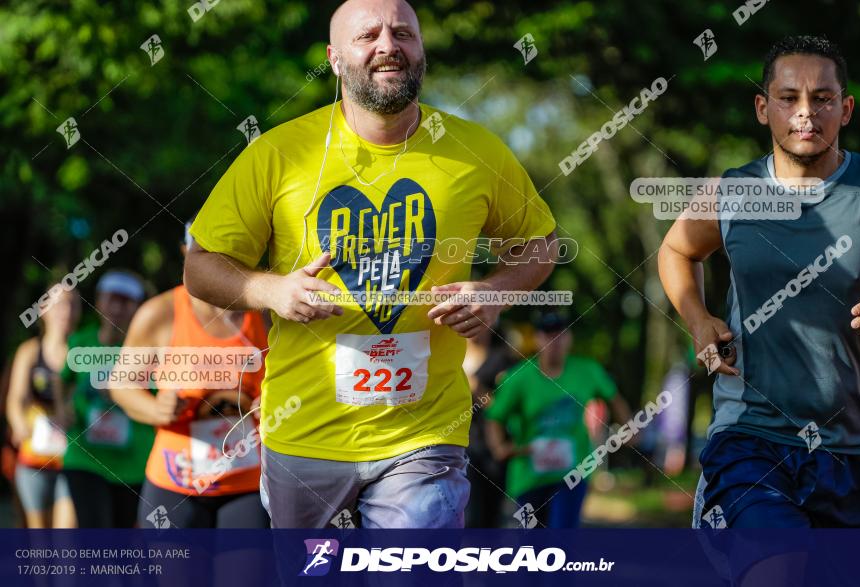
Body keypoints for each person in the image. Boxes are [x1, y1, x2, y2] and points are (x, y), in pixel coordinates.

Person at [183, 0, 557, 528]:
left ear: (421, 50)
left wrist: (495, 290)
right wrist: (272, 291)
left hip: (423, 434)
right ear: (334, 58)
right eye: (369, 35)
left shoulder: (476, 151)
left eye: (403, 33)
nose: (388, 45)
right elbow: (200, 266)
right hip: (305, 432)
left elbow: (539, 243)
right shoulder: (280, 153)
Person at [659, 35, 860, 539]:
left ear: (845, 109)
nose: (806, 113)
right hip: (752, 436)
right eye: (789, 98)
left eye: (822, 99)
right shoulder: (731, 193)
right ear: (763, 108)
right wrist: (698, 318)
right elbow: (676, 251)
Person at [111, 225, 270, 528]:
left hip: (247, 483)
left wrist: (275, 401)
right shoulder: (161, 313)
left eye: (225, 251)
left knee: (244, 577)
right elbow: (122, 385)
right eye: (204, 251)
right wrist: (155, 409)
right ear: (187, 253)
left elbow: (297, 378)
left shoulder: (264, 312)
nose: (216, 262)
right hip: (176, 484)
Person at [484, 312, 631, 528]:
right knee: (533, 548)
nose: (555, 342)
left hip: (572, 474)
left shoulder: (587, 371)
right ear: (537, 339)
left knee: (561, 539)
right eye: (548, 335)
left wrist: (629, 429)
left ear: (569, 338)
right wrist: (500, 447)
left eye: (561, 335)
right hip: (528, 478)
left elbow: (614, 398)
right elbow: (495, 416)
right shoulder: (519, 378)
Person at [58, 270, 154, 527]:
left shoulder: (149, 352)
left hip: (132, 464)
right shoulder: (80, 342)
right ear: (98, 301)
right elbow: (62, 380)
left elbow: (159, 403)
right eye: (111, 299)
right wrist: (61, 407)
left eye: (125, 302)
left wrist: (124, 395)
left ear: (138, 307)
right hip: (85, 459)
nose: (116, 308)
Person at [6, 287, 79, 528]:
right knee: (38, 537)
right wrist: (19, 422)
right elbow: (16, 399)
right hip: (34, 458)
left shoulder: (83, 353)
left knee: (66, 536)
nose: (65, 312)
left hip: (72, 460)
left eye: (72, 305)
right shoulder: (29, 352)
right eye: (59, 305)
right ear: (43, 310)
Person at [463, 326, 516, 528]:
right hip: (455, 445)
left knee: (488, 515)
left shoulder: (503, 360)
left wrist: (478, 390)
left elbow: (505, 407)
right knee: (463, 513)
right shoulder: (448, 354)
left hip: (490, 449)